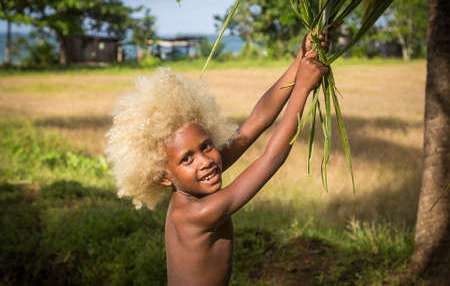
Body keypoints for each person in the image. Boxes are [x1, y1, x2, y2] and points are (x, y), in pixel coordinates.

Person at [105, 32, 329, 286]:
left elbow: (254, 123)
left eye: (206, 146)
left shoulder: (186, 185)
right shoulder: (201, 212)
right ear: (164, 176)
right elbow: (271, 159)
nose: (205, 161)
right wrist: (303, 88)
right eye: (187, 159)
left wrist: (300, 60)